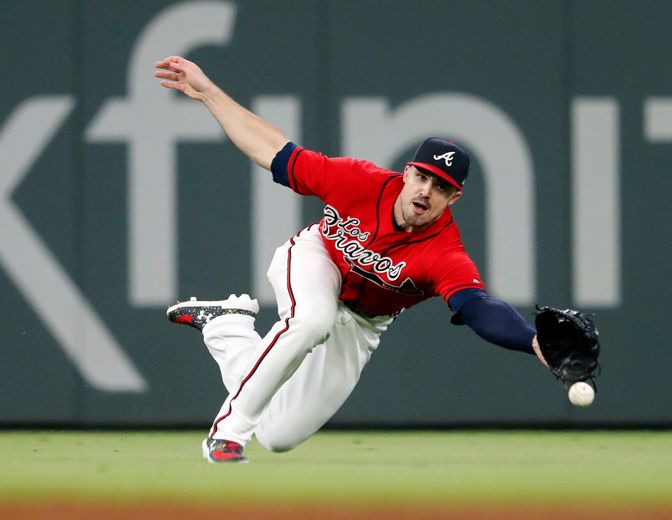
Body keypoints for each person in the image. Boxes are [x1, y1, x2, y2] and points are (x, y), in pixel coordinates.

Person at [155, 55, 548, 463]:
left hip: (363, 322)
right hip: (316, 258)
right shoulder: (358, 181)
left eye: (441, 187)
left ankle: (226, 327)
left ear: (454, 198)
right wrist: (209, 93)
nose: (426, 191)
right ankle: (226, 435)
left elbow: (478, 309)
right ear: (408, 172)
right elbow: (271, 149)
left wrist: (533, 340)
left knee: (278, 434)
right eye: (423, 177)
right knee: (311, 319)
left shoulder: (445, 252)